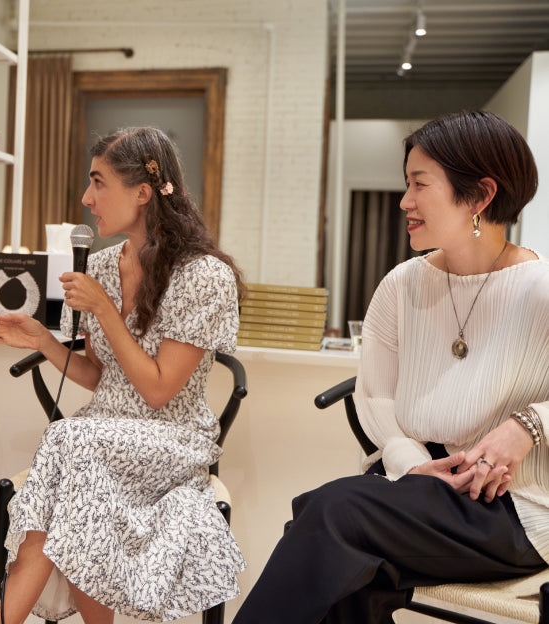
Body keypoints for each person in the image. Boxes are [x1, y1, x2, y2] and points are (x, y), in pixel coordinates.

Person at [233, 110, 549, 623]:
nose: (404, 200)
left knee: (331, 514)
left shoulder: (541, 289)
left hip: (512, 509)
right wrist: (411, 463)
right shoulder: (402, 285)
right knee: (339, 559)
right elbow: (377, 395)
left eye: (419, 184)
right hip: (416, 488)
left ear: (480, 195)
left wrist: (527, 426)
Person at [0, 126, 246, 623]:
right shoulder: (98, 265)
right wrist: (42, 340)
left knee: (67, 440)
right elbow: (104, 379)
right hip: (100, 439)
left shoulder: (204, 275)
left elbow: (159, 391)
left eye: (98, 182)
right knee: (74, 463)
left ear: (142, 193)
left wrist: (106, 311)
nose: (86, 197)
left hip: (173, 439)